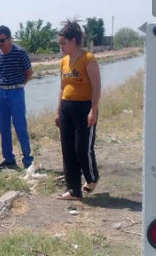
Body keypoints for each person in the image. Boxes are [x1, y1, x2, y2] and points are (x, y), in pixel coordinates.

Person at [55, 20, 101, 200]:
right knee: (67, 149)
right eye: (60, 44)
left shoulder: (88, 59)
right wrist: (58, 111)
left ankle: (92, 178)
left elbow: (97, 86)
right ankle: (73, 189)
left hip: (84, 107)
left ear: (73, 41)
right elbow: (61, 87)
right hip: (67, 107)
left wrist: (93, 110)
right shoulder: (63, 62)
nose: (61, 47)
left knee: (82, 147)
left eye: (63, 43)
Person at [0, 25, 34, 169]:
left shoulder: (20, 53)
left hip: (16, 92)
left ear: (9, 39)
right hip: (1, 93)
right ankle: (9, 159)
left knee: (20, 127)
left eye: (2, 40)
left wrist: (20, 85)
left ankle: (28, 160)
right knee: (3, 127)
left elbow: (29, 72)